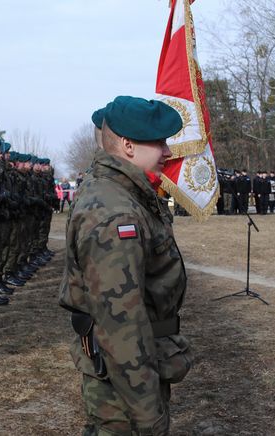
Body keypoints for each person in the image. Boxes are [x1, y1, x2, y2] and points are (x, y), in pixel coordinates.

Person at [59, 96, 192, 435]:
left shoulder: (120, 190)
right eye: (158, 142)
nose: (167, 151)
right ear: (129, 146)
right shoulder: (116, 213)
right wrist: (149, 416)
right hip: (124, 378)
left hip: (128, 370)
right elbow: (121, 326)